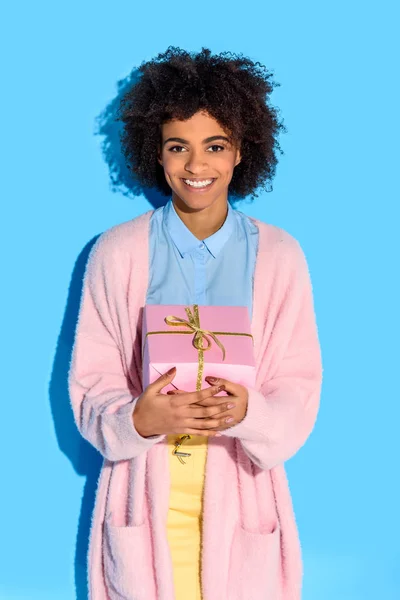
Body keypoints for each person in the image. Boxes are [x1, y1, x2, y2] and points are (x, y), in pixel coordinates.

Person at [68, 46, 323, 600]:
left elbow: (300, 388)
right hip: (145, 491)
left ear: (240, 152)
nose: (196, 166)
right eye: (177, 147)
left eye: (215, 146)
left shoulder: (279, 256)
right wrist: (137, 418)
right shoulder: (117, 253)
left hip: (242, 493)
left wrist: (249, 411)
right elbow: (91, 382)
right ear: (155, 155)